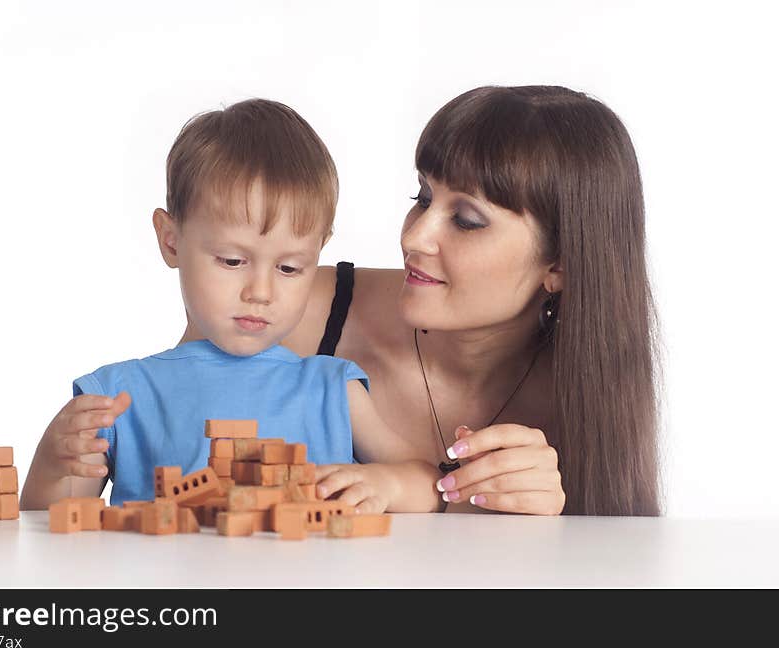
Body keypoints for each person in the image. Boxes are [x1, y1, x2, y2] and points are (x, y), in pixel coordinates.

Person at [236, 86, 662, 516]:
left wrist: (550, 531)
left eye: (466, 220)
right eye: (422, 198)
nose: (413, 237)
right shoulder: (295, 308)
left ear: (560, 265)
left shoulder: (587, 394)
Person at [19, 99, 441, 513]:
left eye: (290, 267)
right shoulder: (117, 397)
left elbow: (431, 484)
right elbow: (52, 525)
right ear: (171, 241)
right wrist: (53, 466)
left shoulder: (332, 390)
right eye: (233, 261)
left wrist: (387, 484)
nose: (260, 291)